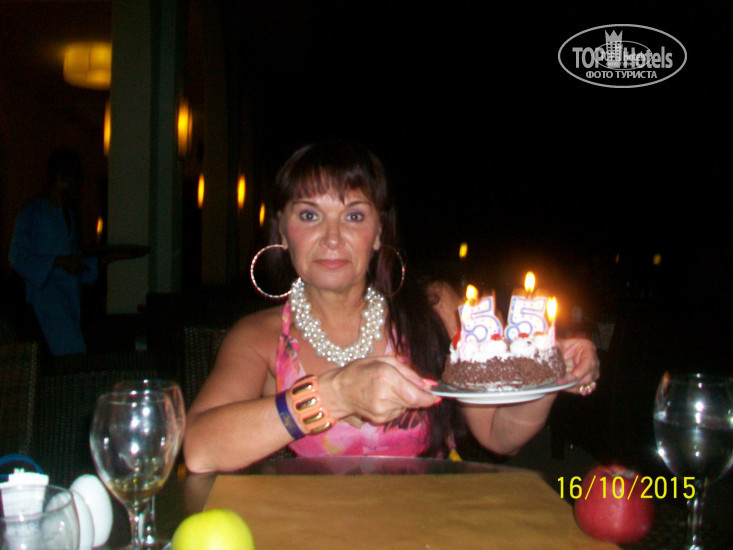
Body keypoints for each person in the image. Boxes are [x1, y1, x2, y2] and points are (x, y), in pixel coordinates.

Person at [183, 141, 600, 473]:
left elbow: (498, 436)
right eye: (309, 215)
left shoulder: (437, 310)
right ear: (283, 231)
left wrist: (547, 379)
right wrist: (335, 394)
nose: (332, 238)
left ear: (379, 233)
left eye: (354, 216)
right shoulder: (259, 337)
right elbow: (199, 448)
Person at [8, 147, 99, 356]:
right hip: (46, 301)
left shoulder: (69, 215)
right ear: (60, 178)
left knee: (73, 353)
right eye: (75, 179)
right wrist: (59, 262)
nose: (78, 186)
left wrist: (94, 264)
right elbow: (17, 256)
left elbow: (75, 260)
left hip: (70, 300)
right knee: (69, 355)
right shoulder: (32, 213)